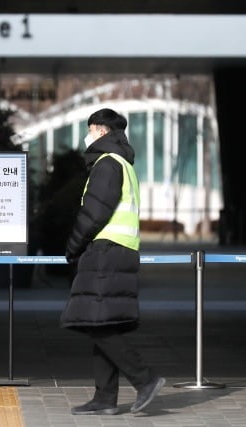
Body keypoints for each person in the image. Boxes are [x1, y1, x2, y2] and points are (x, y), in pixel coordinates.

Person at [60, 108, 165, 415]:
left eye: (91, 129)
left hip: (105, 251)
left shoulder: (107, 164)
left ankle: (145, 379)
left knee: (96, 323)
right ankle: (105, 397)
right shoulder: (124, 164)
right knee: (100, 321)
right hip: (121, 250)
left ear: (102, 131)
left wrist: (73, 247)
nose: (88, 135)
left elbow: (95, 213)